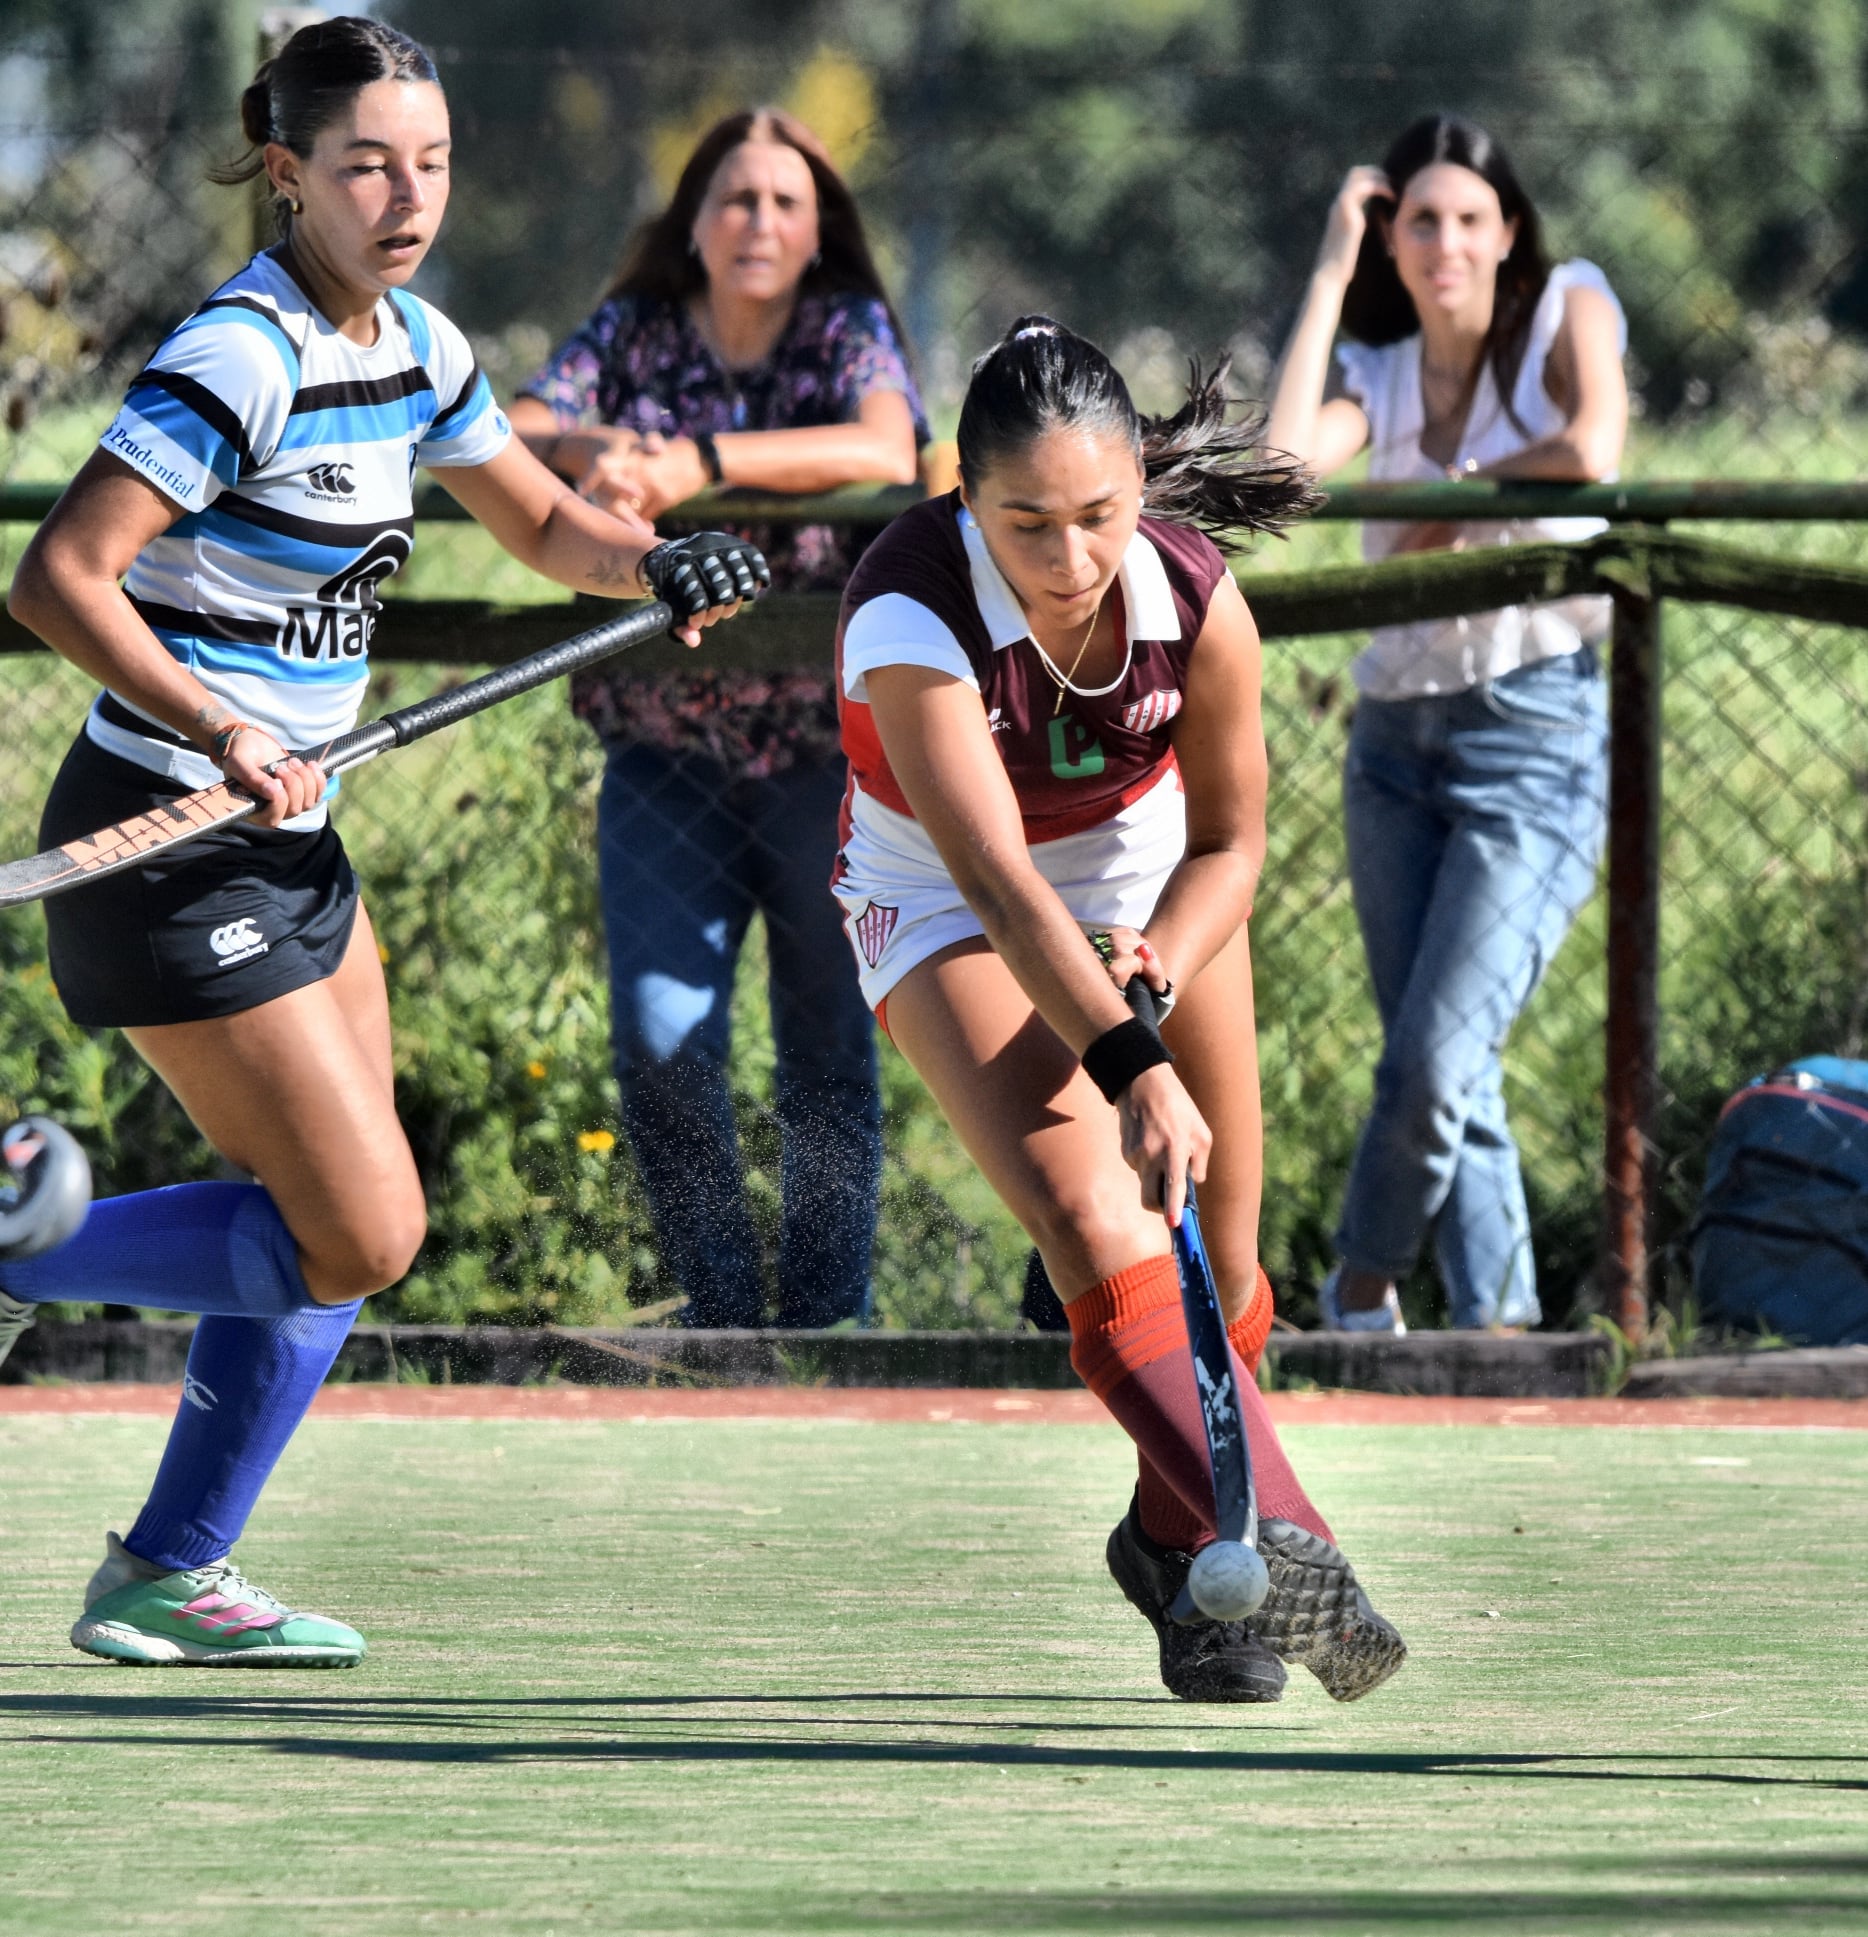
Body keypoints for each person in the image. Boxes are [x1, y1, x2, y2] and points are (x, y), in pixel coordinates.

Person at [0, 16, 761, 1667]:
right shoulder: (240, 354)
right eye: (365, 166)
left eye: (427, 163)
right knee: (364, 1228)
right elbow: (57, 576)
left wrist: (656, 562)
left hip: (291, 845)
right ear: (290, 175)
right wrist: (226, 723)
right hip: (164, 837)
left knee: (337, 1224)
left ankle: (167, 1568)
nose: (404, 196)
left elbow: (550, 523)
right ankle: (18, 1243)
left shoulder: (415, 344)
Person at [831, 315, 1406, 1704]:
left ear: (1139, 492)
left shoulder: (1199, 600)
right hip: (946, 893)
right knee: (1099, 1221)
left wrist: (1159, 959)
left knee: (1232, 1285)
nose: (1072, 559)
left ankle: (1169, 1548)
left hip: (1151, 871)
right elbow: (997, 881)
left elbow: (1232, 849)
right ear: (965, 497)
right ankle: (1284, 1530)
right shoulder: (908, 614)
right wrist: (1132, 1057)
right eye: (1027, 523)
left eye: (1099, 516)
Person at [508, 109, 927, 1330]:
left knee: (828, 1049)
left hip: (821, 755)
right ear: (691, 223)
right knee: (659, 1036)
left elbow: (884, 437)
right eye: (736, 200)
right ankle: (724, 1312)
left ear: (816, 234)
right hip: (661, 752)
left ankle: (826, 1320)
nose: (759, 222)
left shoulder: (844, 332)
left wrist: (691, 460)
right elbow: (520, 429)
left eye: (786, 205)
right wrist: (615, 452)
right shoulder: (633, 332)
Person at [1265, 112, 1628, 1334]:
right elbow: (1277, 472)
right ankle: (1500, 1332)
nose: (1444, 241)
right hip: (1392, 742)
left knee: (1431, 1060)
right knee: (1443, 1065)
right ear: (1391, 240)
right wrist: (1325, 271)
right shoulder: (1371, 375)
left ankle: (1358, 1282)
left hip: (1533, 730)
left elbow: (1588, 445)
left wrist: (1444, 504)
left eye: (1468, 217)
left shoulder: (1567, 308)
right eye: (1417, 219)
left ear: (1507, 230)